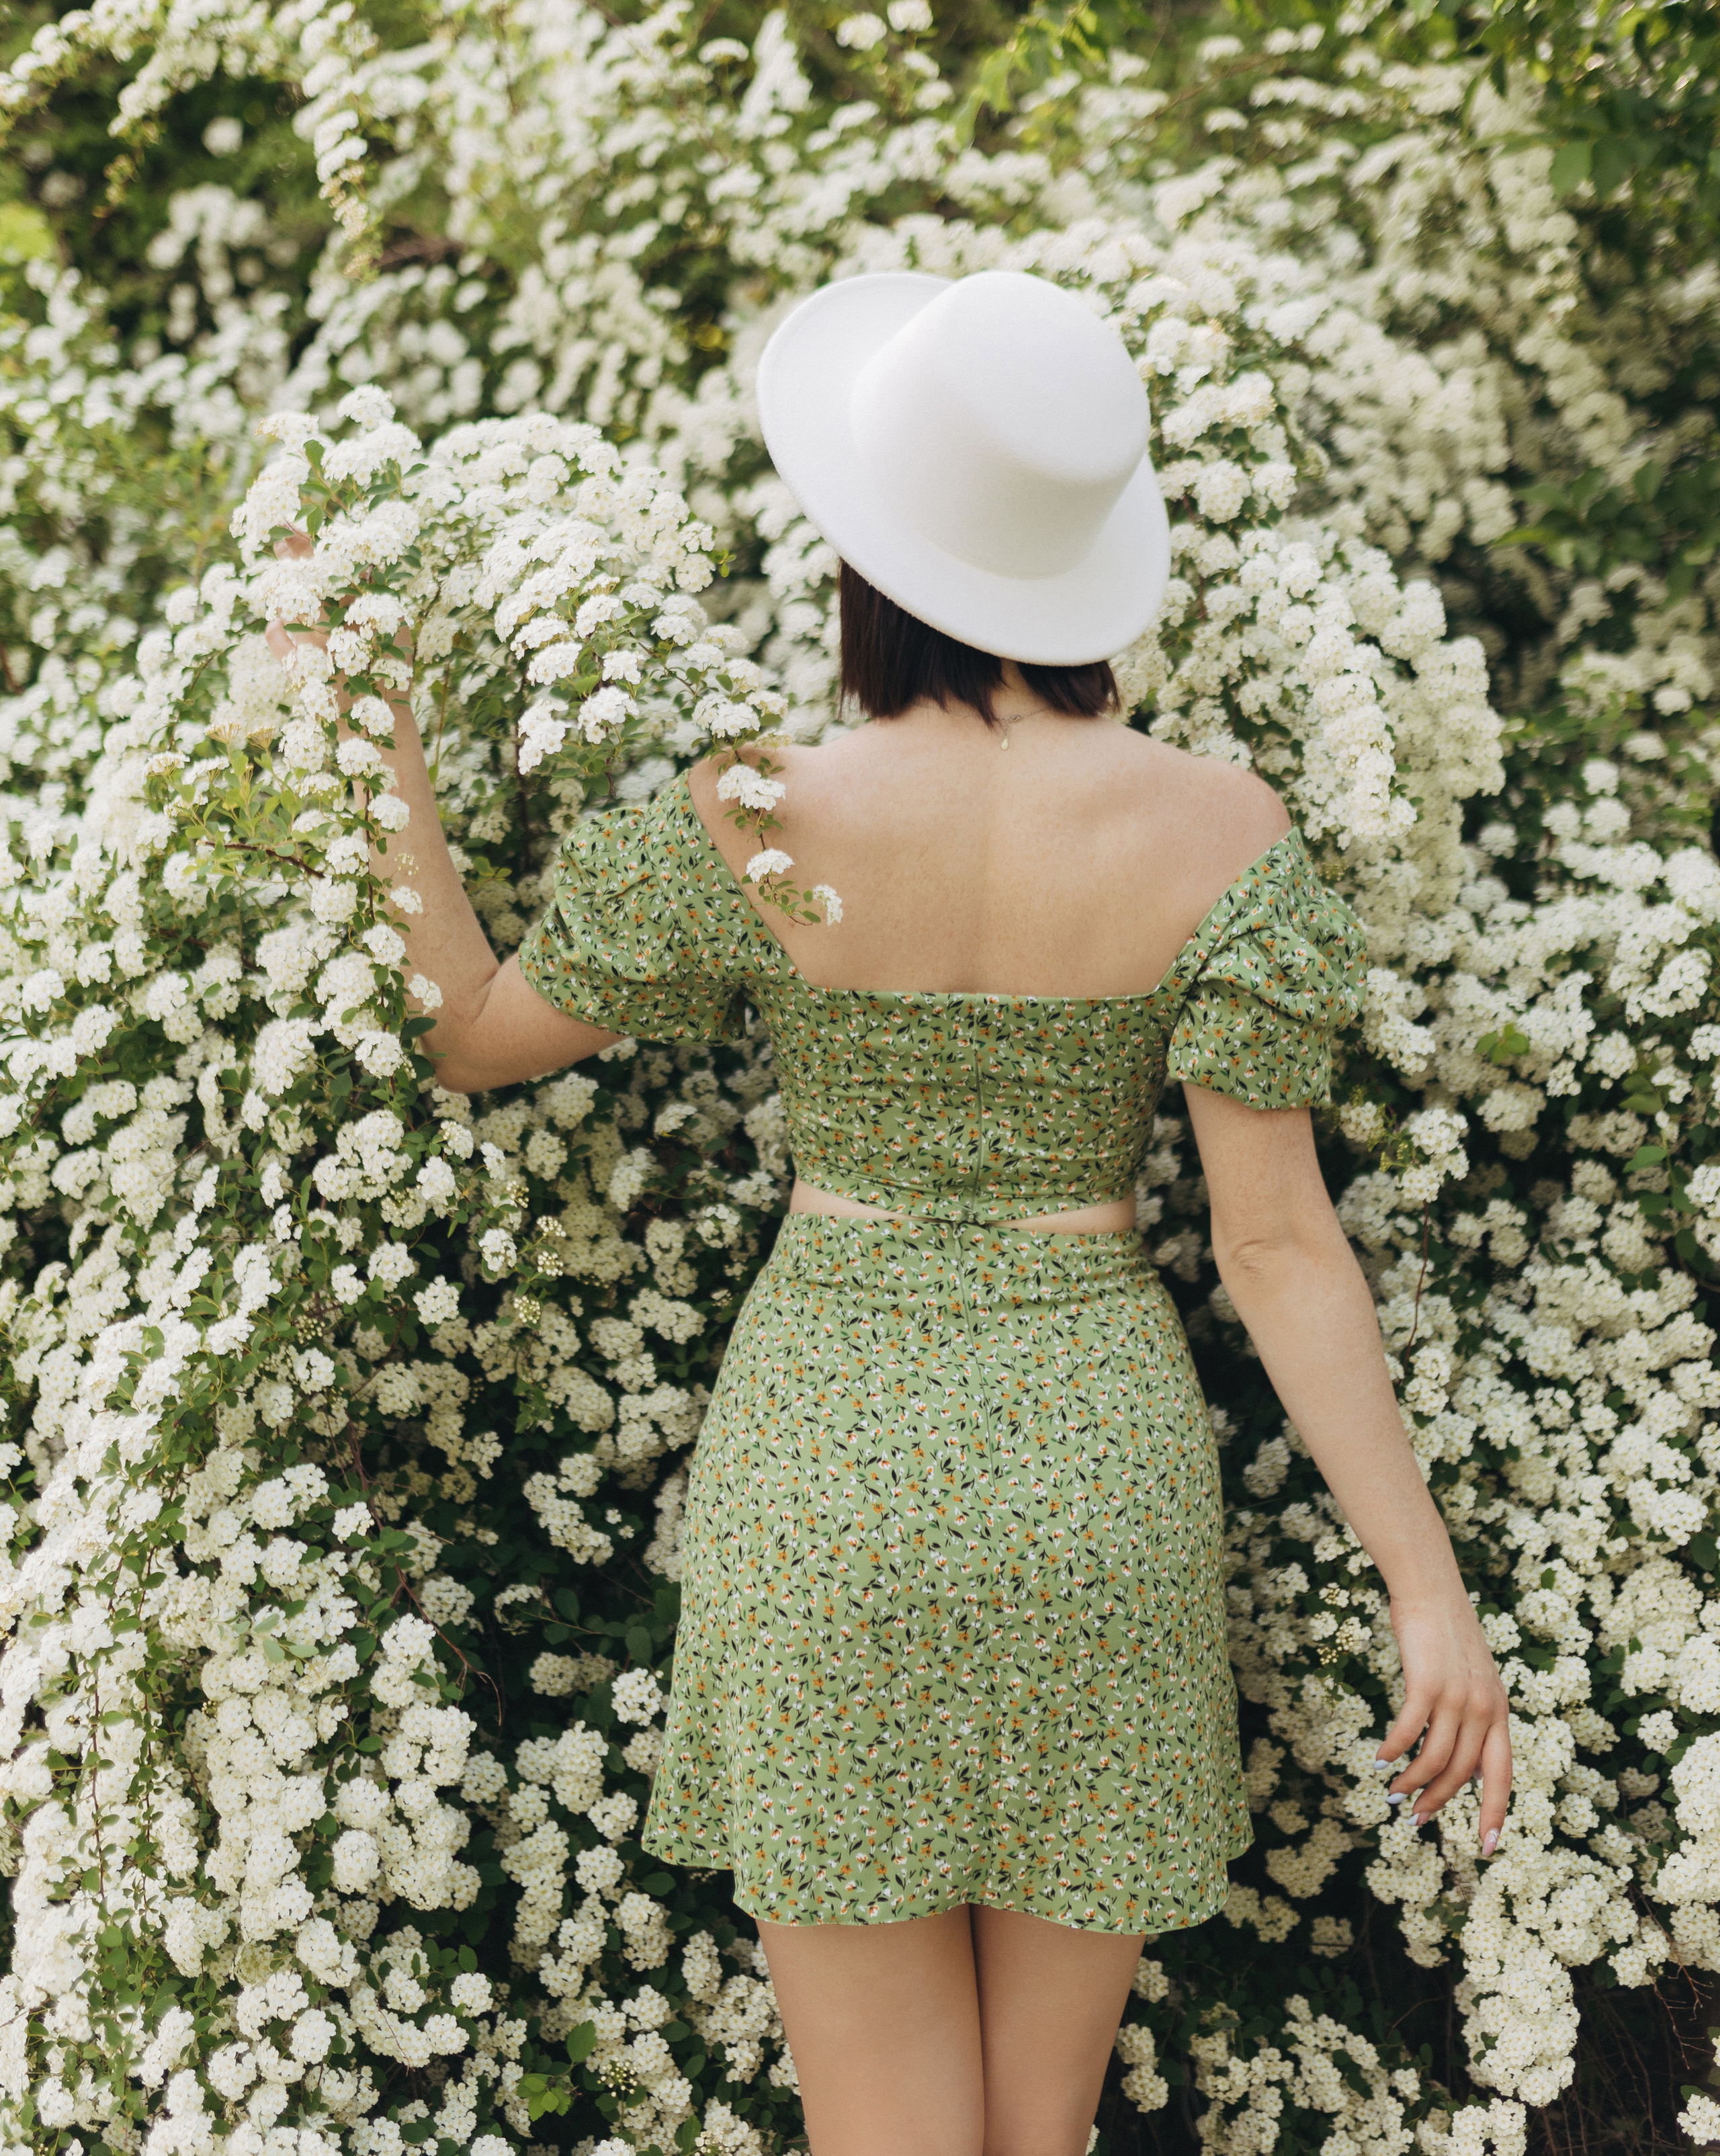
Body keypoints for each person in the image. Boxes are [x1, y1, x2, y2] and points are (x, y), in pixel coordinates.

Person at [273, 268, 1511, 2156]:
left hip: (831, 1485)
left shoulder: (761, 815)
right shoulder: (1226, 833)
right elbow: (1274, 1250)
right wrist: (1429, 1592)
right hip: (1095, 1493)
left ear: (869, 551)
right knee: (1045, 2136)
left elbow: (466, 1032)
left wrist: (376, 723)